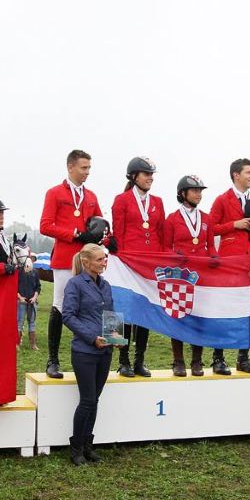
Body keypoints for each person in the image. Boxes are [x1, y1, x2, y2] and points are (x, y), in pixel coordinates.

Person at [39, 150, 106, 378]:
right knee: (60, 305)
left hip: (88, 260)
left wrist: (106, 237)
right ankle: (53, 360)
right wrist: (74, 234)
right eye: (83, 168)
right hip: (65, 259)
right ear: (70, 167)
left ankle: (95, 351)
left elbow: (101, 224)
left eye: (89, 168)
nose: (87, 172)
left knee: (95, 304)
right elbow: (45, 225)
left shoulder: (91, 196)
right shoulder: (54, 193)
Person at [209, 158, 250, 375]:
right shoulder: (222, 200)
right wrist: (234, 224)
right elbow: (211, 228)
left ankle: (243, 358)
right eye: (248, 172)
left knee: (247, 311)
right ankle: (218, 358)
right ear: (236, 175)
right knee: (224, 310)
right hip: (229, 264)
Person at [111, 156, 165, 377]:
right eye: (146, 174)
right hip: (127, 264)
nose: (150, 178)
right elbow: (118, 233)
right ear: (134, 176)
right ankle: (123, 360)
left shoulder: (158, 202)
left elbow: (160, 235)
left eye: (152, 174)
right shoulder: (121, 200)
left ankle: (139, 360)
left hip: (149, 267)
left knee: (145, 312)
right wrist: (120, 260)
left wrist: (160, 262)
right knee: (124, 312)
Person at [61, 243, 115, 465]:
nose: (104, 262)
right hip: (85, 352)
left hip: (105, 351)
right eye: (100, 259)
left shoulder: (106, 285)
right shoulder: (75, 284)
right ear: (86, 262)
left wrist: (115, 337)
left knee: (95, 400)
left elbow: (110, 314)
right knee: (87, 400)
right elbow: (68, 316)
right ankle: (76, 449)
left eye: (104, 259)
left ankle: (87, 445)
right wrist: (92, 338)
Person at [163, 175, 216, 377]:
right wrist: (174, 256)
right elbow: (166, 247)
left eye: (200, 191)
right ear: (183, 193)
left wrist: (214, 258)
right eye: (195, 191)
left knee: (198, 317)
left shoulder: (207, 218)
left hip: (200, 275)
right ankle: (178, 361)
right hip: (179, 275)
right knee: (178, 316)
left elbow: (211, 246)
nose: (199, 194)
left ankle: (196, 360)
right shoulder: (172, 219)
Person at [17, 264, 41, 349]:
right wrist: (20, 297)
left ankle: (33, 344)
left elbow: (38, 287)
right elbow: (14, 286)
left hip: (32, 302)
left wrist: (34, 297)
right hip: (21, 302)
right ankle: (17, 343)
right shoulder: (19, 272)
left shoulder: (35, 272)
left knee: (32, 322)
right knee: (20, 322)